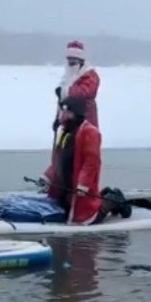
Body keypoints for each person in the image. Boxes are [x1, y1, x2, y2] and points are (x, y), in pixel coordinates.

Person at [42, 95, 103, 225]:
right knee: (64, 205)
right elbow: (58, 159)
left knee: (84, 213)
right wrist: (47, 177)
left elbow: (91, 162)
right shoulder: (64, 132)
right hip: (65, 186)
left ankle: (110, 202)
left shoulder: (90, 132)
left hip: (79, 187)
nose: (63, 116)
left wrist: (83, 185)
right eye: (63, 112)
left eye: (67, 112)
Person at [54, 40, 100, 132]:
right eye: (69, 59)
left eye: (74, 60)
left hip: (85, 121)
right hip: (68, 123)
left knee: (85, 144)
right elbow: (62, 103)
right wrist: (58, 119)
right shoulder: (66, 78)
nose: (71, 63)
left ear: (81, 61)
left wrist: (65, 92)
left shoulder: (90, 75)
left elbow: (85, 92)